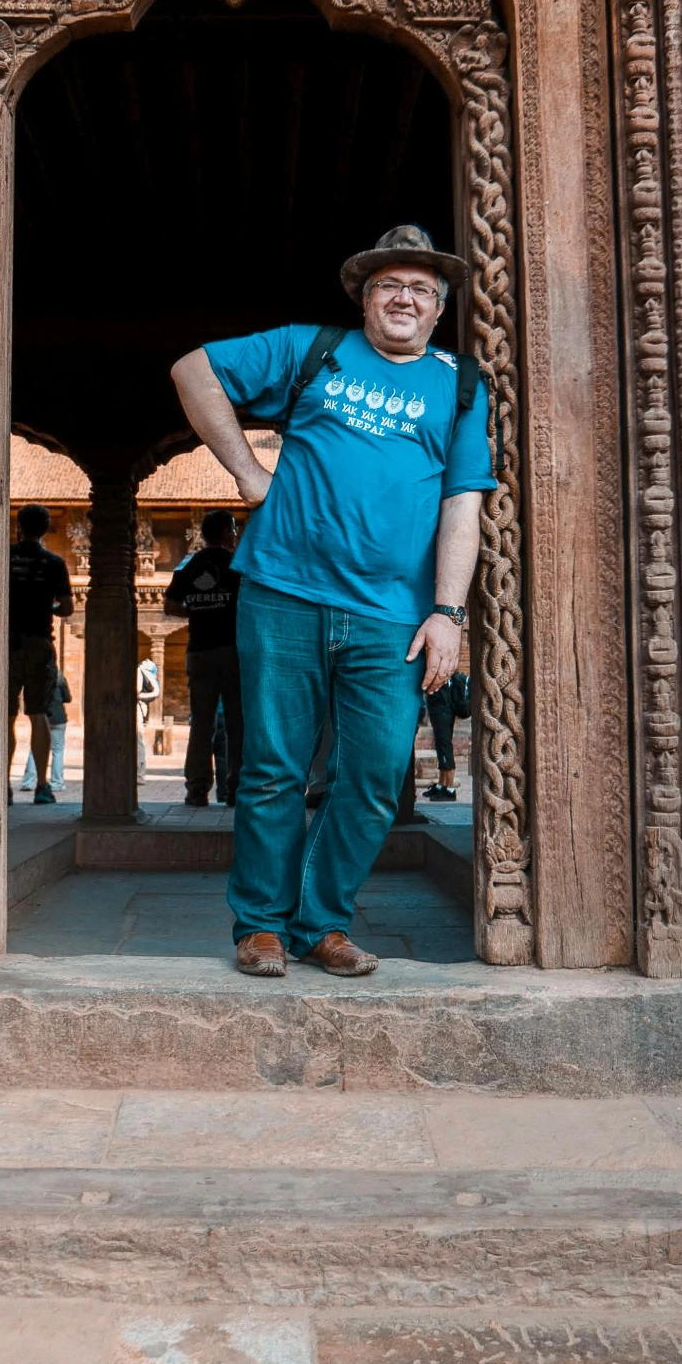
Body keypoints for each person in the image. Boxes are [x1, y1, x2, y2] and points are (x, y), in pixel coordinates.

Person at [171, 223, 495, 978]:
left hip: (391, 614)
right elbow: (193, 370)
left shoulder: (461, 385)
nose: (404, 298)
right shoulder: (311, 349)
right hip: (283, 592)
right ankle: (260, 926)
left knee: (377, 773)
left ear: (438, 307)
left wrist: (448, 613)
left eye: (420, 288)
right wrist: (250, 474)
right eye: (389, 285)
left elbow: (462, 507)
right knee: (272, 767)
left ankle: (321, 920)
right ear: (364, 297)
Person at [164, 509, 244, 806]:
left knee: (201, 723)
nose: (236, 535)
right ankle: (236, 787)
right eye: (234, 530)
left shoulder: (188, 565)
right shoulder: (238, 564)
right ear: (225, 533)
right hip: (232, 651)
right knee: (237, 722)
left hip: (198, 652)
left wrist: (197, 611)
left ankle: (196, 788)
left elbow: (170, 607)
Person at [8, 504, 73, 807]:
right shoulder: (55, 562)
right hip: (39, 643)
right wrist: (47, 608)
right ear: (46, 529)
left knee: (4, 718)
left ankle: (2, 783)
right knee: (39, 716)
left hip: (6, 645)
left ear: (19, 526)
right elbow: (68, 608)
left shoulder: (5, 557)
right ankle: (43, 786)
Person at [22, 664, 71, 801]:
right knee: (58, 751)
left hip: (43, 715)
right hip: (59, 718)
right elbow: (68, 698)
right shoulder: (60, 680)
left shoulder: (35, 680)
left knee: (35, 749)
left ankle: (28, 781)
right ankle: (57, 783)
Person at [422, 669, 468, 802]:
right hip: (437, 705)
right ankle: (442, 784)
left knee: (444, 745)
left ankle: (449, 788)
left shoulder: (444, 671)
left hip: (443, 707)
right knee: (440, 745)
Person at [135, 650, 160, 779]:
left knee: (136, 738)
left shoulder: (139, 671)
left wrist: (137, 697)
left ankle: (139, 773)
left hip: (136, 708)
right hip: (140, 707)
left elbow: (137, 691)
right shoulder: (142, 670)